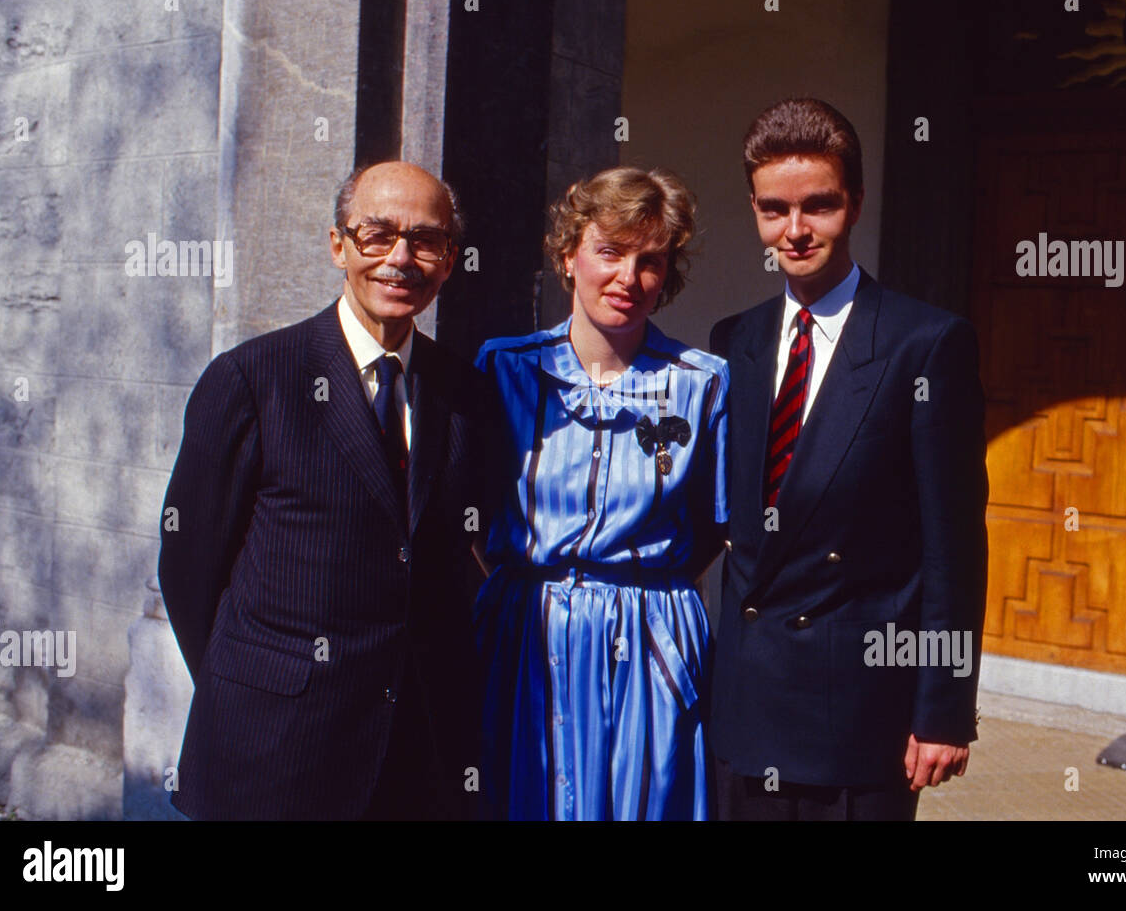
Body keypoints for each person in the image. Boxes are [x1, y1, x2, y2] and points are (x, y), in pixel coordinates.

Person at [159, 161, 490, 820]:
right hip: (273, 753)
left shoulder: (466, 394)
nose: (401, 257)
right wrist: (263, 687)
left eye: (426, 240)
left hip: (408, 762)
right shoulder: (254, 379)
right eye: (377, 235)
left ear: (450, 260)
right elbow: (188, 568)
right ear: (338, 244)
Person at [709, 98, 989, 821]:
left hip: (858, 717)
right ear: (755, 211)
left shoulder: (925, 343)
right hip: (743, 710)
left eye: (818, 206)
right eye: (774, 210)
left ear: (855, 202)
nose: (794, 232)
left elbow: (953, 547)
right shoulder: (731, 339)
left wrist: (944, 709)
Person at [475, 167, 728, 820]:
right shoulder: (505, 368)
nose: (627, 277)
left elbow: (714, 523)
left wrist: (639, 585)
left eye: (650, 260)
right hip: (524, 626)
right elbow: (464, 508)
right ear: (569, 255)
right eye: (609, 251)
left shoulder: (702, 384)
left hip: (649, 631)